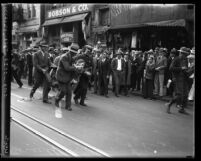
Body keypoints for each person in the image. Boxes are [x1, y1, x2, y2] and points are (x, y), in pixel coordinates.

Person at [55, 43, 84, 110]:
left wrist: (78, 66)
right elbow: (67, 68)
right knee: (63, 91)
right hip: (61, 77)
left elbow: (74, 62)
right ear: (70, 51)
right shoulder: (64, 57)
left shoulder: (72, 57)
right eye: (74, 53)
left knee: (69, 92)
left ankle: (68, 106)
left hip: (68, 77)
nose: (75, 54)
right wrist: (76, 67)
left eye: (75, 53)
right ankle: (57, 99)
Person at [167, 47, 190, 114]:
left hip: (184, 79)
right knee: (179, 94)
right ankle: (169, 104)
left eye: (186, 54)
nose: (185, 55)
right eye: (184, 54)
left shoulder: (185, 59)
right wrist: (181, 68)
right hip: (177, 79)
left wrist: (188, 71)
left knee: (185, 95)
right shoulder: (176, 59)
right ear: (181, 53)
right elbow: (171, 68)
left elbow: (185, 69)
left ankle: (182, 109)